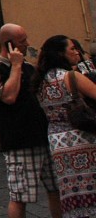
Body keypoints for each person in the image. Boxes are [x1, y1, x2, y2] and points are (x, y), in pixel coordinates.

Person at [0, 23, 62, 218]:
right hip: (19, 141)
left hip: (44, 137)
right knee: (20, 196)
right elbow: (8, 96)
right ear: (9, 44)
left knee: (57, 189)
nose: (27, 44)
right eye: (22, 41)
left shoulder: (29, 67)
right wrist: (15, 65)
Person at [35, 35, 96, 218]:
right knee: (91, 186)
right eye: (72, 49)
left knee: (71, 189)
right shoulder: (71, 77)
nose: (76, 51)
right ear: (61, 54)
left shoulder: (40, 81)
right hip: (83, 137)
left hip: (58, 140)